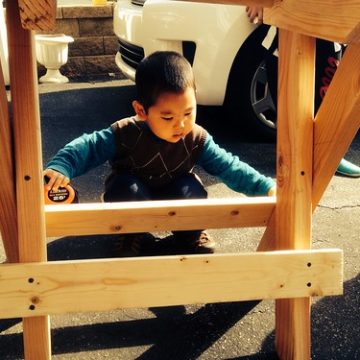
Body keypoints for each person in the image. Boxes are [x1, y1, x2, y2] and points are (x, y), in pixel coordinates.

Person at [44, 51, 276, 256]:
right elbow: (87, 146)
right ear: (141, 110)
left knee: (191, 191)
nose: (181, 125)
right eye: (168, 117)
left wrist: (265, 187)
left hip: (174, 191)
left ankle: (190, 232)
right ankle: (130, 232)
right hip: (133, 193)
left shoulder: (197, 138)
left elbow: (229, 167)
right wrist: (61, 166)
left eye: (188, 112)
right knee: (126, 188)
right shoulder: (126, 132)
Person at [246, 5, 360, 177]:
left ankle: (328, 154)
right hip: (288, 29)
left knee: (326, 98)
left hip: (328, 29)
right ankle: (295, 155)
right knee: (288, 98)